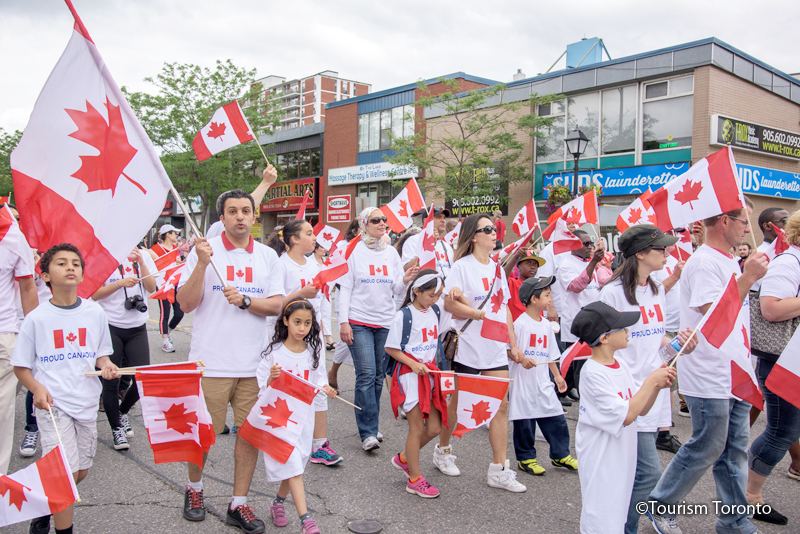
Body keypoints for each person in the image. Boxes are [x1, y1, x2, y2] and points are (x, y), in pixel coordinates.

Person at [647, 197, 770, 534]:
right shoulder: (704, 263)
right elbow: (713, 314)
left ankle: (734, 521)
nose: (748, 228)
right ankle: (660, 505)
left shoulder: (727, 260)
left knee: (734, 453)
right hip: (709, 372)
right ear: (724, 222)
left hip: (733, 369)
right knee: (707, 446)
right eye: (743, 221)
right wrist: (748, 277)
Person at [177, 189, 284, 532]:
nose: (240, 217)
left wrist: (245, 302)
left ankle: (238, 503)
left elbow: (277, 306)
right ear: (221, 218)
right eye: (232, 211)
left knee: (249, 436)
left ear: (254, 217)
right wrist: (202, 264)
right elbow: (185, 304)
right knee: (202, 435)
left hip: (254, 365)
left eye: (246, 211)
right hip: (211, 363)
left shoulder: (268, 256)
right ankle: (194, 489)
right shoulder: (204, 253)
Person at [12, 244, 120, 534]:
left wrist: (106, 366)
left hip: (85, 401)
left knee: (81, 471)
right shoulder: (36, 318)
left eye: (75, 263)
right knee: (65, 475)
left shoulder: (94, 312)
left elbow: (102, 355)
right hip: (53, 405)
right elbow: (21, 366)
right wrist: (36, 388)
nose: (70, 267)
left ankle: (46, 506)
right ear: (45, 275)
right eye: (61, 263)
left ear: (83, 274)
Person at [598, 225, 697, 534]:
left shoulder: (655, 288)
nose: (666, 253)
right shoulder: (612, 293)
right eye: (660, 248)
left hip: (654, 395)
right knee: (647, 473)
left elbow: (656, 345)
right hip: (628, 397)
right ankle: (624, 527)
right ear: (640, 253)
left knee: (635, 473)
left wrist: (680, 346)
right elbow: (602, 347)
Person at [434, 213, 527, 492]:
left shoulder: (498, 269)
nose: (493, 232)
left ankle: (499, 470)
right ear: (473, 236)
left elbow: (505, 310)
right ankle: (443, 449)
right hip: (470, 348)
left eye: (494, 228)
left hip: (495, 348)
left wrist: (512, 344)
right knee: (458, 405)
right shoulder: (461, 267)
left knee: (501, 406)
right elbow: (450, 305)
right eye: (487, 229)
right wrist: (476, 311)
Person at [571, 301, 676, 534]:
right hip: (603, 461)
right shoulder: (593, 373)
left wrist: (657, 386)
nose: (628, 331)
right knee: (602, 520)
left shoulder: (621, 365)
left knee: (617, 519)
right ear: (605, 338)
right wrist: (650, 381)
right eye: (622, 328)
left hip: (621, 459)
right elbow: (627, 416)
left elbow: (641, 409)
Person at [338, 208, 418, 451]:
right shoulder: (353, 251)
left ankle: (371, 423)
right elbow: (346, 289)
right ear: (364, 224)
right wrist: (344, 322)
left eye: (384, 220)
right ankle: (368, 433)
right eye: (376, 220)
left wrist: (405, 280)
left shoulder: (391, 253)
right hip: (359, 321)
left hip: (385, 322)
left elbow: (395, 290)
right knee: (365, 375)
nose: (382, 223)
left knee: (376, 377)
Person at [257, 299, 335, 534]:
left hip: (303, 418)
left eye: (307, 323)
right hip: (279, 419)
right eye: (297, 322)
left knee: (296, 464)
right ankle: (306, 519)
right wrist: (271, 378)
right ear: (285, 321)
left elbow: (318, 379)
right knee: (291, 463)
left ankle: (278, 503)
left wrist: (326, 387)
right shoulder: (274, 353)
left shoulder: (313, 352)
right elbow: (263, 387)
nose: (302, 328)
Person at [271, 219, 341, 467]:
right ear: (294, 240)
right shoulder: (281, 265)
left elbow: (321, 304)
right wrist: (302, 295)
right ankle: (280, 436)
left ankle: (319, 444)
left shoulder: (314, 265)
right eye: (309, 234)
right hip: (287, 337)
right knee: (287, 386)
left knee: (319, 386)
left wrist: (323, 333)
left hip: (314, 337)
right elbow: (275, 305)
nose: (315, 238)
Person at [746, 209, 800, 526]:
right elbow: (771, 308)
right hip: (781, 361)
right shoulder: (788, 262)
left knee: (787, 429)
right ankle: (750, 496)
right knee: (782, 431)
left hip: (791, 358)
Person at [386, 270, 448, 498]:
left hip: (429, 374)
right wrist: (413, 364)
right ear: (417, 291)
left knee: (434, 428)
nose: (435, 299)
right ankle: (414, 478)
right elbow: (391, 348)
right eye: (432, 294)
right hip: (409, 376)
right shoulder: (403, 315)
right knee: (417, 428)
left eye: (438, 295)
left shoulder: (436, 311)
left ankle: (403, 458)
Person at [510, 276, 578, 476]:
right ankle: (526, 458)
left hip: (543, 381)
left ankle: (560, 454)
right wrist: (521, 358)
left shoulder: (546, 325)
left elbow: (551, 354)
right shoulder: (519, 324)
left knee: (555, 416)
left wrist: (557, 376)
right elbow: (509, 349)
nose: (550, 299)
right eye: (546, 295)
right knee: (525, 422)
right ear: (533, 299)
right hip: (523, 382)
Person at [92, 247, 157, 451]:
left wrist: (142, 263)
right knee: (111, 381)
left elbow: (152, 287)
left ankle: (123, 411)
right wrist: (119, 284)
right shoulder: (103, 255)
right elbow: (94, 294)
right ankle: (116, 429)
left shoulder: (142, 255)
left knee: (143, 378)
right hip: (111, 326)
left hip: (137, 328)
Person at [0, 203, 38, 474]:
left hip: (4, 334)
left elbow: (27, 286)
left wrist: (36, 338)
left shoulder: (13, 236)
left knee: (2, 414)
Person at [557, 230, 609, 399]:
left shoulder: (589, 262)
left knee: (583, 364)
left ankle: (564, 390)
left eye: (591, 243)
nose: (590, 247)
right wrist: (594, 262)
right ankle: (581, 399)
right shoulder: (566, 264)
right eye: (585, 244)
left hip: (593, 321)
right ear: (573, 245)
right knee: (579, 365)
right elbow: (577, 286)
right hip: (576, 322)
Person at [326, 218, 361, 393]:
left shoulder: (375, 247)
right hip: (345, 296)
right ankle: (333, 372)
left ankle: (362, 376)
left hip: (366, 302)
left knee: (355, 339)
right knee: (347, 339)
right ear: (354, 231)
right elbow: (335, 271)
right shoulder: (343, 246)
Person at [148, 224, 184, 353]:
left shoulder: (176, 249)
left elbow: (177, 264)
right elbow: (153, 265)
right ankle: (165, 342)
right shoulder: (155, 250)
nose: (177, 236)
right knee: (165, 313)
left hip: (175, 285)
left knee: (179, 313)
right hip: (163, 286)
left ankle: (168, 332)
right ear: (168, 234)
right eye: (175, 233)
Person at [402, 206, 454, 279]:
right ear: (426, 221)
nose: (443, 220)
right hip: (425, 288)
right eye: (438, 217)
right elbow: (406, 269)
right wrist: (428, 247)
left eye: (444, 217)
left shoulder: (447, 246)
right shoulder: (414, 241)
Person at [504, 249, 545, 321]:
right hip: (516, 329)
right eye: (528, 263)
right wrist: (515, 258)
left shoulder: (539, 286)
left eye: (535, 264)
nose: (533, 267)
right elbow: (502, 277)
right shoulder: (513, 283)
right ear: (518, 267)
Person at [312, 243, 335, 351]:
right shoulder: (309, 261)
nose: (324, 249)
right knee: (316, 315)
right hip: (314, 293)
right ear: (315, 249)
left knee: (326, 315)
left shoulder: (327, 261)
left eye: (325, 247)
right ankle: (317, 338)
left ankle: (329, 340)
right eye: (321, 247)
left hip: (326, 292)